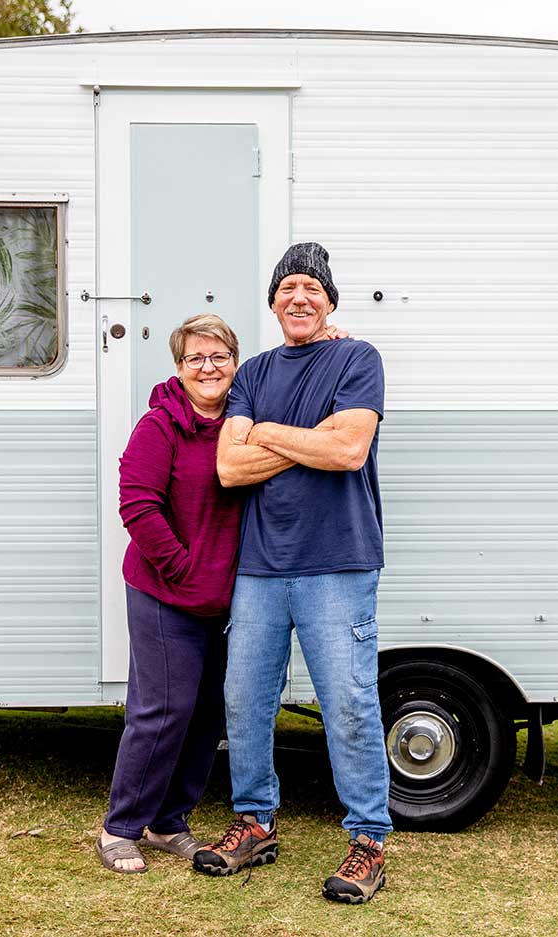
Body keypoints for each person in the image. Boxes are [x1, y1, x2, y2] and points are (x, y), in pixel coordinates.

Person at [196, 242, 391, 904]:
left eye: (312, 287)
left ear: (330, 300)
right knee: (244, 700)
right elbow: (229, 467)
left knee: (349, 704)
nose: (299, 297)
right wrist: (309, 435)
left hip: (338, 561)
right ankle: (254, 822)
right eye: (288, 287)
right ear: (274, 301)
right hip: (261, 566)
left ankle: (368, 841)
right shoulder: (250, 371)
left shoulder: (357, 358)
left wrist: (266, 434)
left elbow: (348, 448)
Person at [97, 314, 243, 874]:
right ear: (180, 369)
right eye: (195, 359)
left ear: (234, 360)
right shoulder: (159, 426)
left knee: (209, 713)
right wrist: (182, 568)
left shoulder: (242, 423)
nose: (208, 367)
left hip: (225, 600)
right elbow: (138, 505)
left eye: (219, 356)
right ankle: (121, 826)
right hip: (166, 591)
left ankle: (169, 821)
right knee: (163, 709)